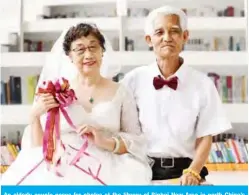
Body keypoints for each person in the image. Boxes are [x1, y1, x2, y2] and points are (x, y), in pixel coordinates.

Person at [1, 23, 152, 185]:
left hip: (110, 168)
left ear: (102, 52)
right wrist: (34, 116)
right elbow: (40, 148)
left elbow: (136, 142)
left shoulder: (121, 91)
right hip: (62, 167)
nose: (88, 55)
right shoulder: (57, 90)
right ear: (69, 56)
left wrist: (104, 141)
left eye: (93, 47)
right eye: (80, 50)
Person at [121, 6, 232, 185]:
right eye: (159, 32)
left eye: (174, 31)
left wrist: (193, 172)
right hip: (141, 172)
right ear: (149, 40)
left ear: (185, 37)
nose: (167, 38)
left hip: (187, 173)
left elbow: (206, 136)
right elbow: (120, 129)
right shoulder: (132, 80)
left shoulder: (203, 83)